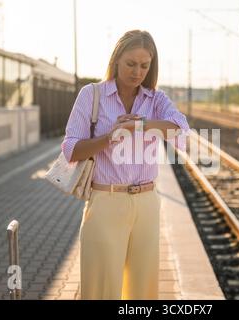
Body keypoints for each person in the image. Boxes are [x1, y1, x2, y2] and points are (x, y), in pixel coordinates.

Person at [61, 30, 190, 300]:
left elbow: (181, 131)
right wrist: (110, 137)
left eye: (145, 65)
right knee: (100, 289)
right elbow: (71, 149)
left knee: (142, 292)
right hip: (105, 200)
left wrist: (140, 125)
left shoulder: (156, 100)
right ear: (117, 59)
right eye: (131, 63)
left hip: (147, 203)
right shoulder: (91, 95)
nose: (138, 72)